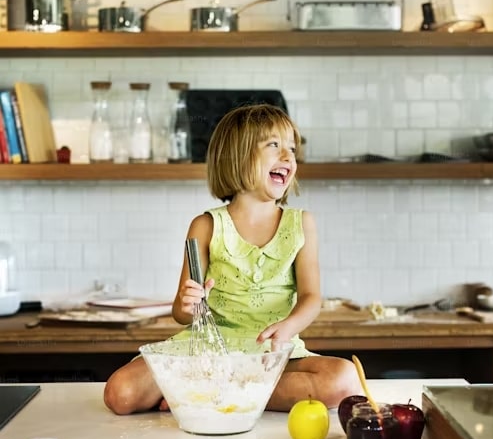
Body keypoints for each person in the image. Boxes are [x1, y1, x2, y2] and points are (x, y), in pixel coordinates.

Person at [104, 103, 361, 415]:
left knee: (345, 380)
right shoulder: (206, 226)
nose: (288, 157)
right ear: (238, 156)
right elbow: (182, 314)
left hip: (269, 352)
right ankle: (233, 391)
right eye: (274, 145)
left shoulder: (301, 224)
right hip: (207, 353)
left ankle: (204, 393)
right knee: (121, 394)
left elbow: (311, 297)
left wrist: (289, 326)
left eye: (292, 149)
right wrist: (189, 305)